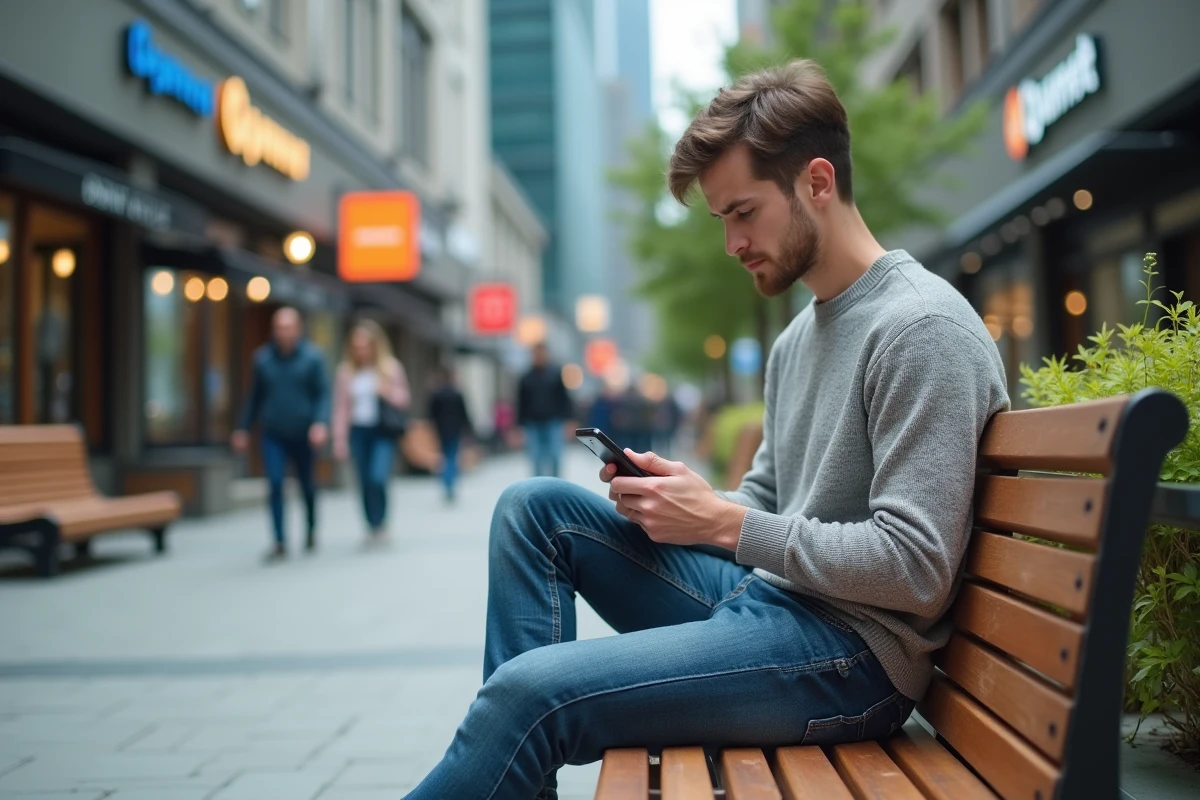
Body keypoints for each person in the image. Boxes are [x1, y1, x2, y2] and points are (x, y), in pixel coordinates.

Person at [403, 60, 1009, 800]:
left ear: (818, 183)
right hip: (772, 602)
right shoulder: (798, 338)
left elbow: (915, 568)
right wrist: (689, 502)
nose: (731, 243)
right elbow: (766, 501)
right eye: (722, 219)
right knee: (533, 510)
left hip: (850, 660)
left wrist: (725, 523)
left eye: (744, 212)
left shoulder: (920, 330)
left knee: (530, 693)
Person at [232, 307, 330, 562]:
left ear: (298, 329)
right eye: (278, 327)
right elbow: (254, 397)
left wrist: (320, 423)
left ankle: (311, 529)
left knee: (307, 483)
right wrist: (243, 428)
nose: (283, 332)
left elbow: (323, 393)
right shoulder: (263, 359)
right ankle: (279, 540)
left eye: (287, 327)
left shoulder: (312, 358)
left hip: (304, 432)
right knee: (275, 483)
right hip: (273, 432)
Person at [331, 319, 411, 544]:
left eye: (365, 346)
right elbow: (341, 409)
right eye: (356, 347)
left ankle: (382, 521)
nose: (361, 351)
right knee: (364, 481)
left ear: (375, 346)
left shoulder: (390, 368)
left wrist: (386, 391)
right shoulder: (346, 372)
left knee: (378, 477)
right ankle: (371, 525)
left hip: (382, 432)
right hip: (358, 432)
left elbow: (405, 399)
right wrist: (339, 440)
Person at [516, 342, 573, 478]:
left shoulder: (555, 374)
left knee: (555, 456)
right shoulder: (526, 377)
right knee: (535, 458)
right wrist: (518, 426)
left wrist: (569, 420)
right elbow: (521, 403)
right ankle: (539, 484)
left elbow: (564, 398)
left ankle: (555, 483)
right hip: (533, 423)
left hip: (553, 421)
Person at [427, 366, 475, 502]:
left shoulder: (437, 394)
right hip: (455, 429)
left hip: (441, 430)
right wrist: (468, 429)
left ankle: (446, 482)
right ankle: (450, 483)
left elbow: (431, 414)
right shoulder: (457, 394)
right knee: (452, 456)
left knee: (445, 456)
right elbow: (464, 413)